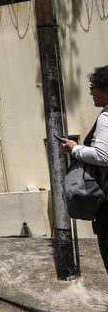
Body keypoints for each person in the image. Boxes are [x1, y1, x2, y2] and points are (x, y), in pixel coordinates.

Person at [60, 65, 108, 274]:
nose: (91, 92)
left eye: (93, 87)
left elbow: (102, 156)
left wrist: (74, 148)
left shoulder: (106, 117)